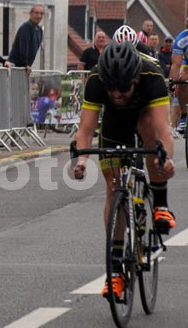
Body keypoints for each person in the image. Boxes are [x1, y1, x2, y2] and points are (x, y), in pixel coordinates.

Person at [73, 42, 175, 298]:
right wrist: (82, 161)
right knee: (113, 189)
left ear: (135, 78)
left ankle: (160, 206)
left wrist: (166, 161)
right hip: (115, 121)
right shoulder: (97, 79)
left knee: (153, 142)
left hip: (144, 113)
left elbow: (165, 130)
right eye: (111, 88)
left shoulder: (151, 76)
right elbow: (86, 129)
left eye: (123, 87)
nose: (116, 93)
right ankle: (116, 271)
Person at [8, 4, 44, 72]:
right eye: (36, 13)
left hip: (26, 68)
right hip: (16, 67)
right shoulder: (27, 27)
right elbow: (23, 48)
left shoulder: (39, 30)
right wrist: (25, 64)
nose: (39, 16)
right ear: (31, 13)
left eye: (41, 13)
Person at [170, 19, 188, 132]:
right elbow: (176, 65)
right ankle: (184, 115)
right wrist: (173, 82)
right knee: (181, 80)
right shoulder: (181, 39)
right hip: (186, 62)